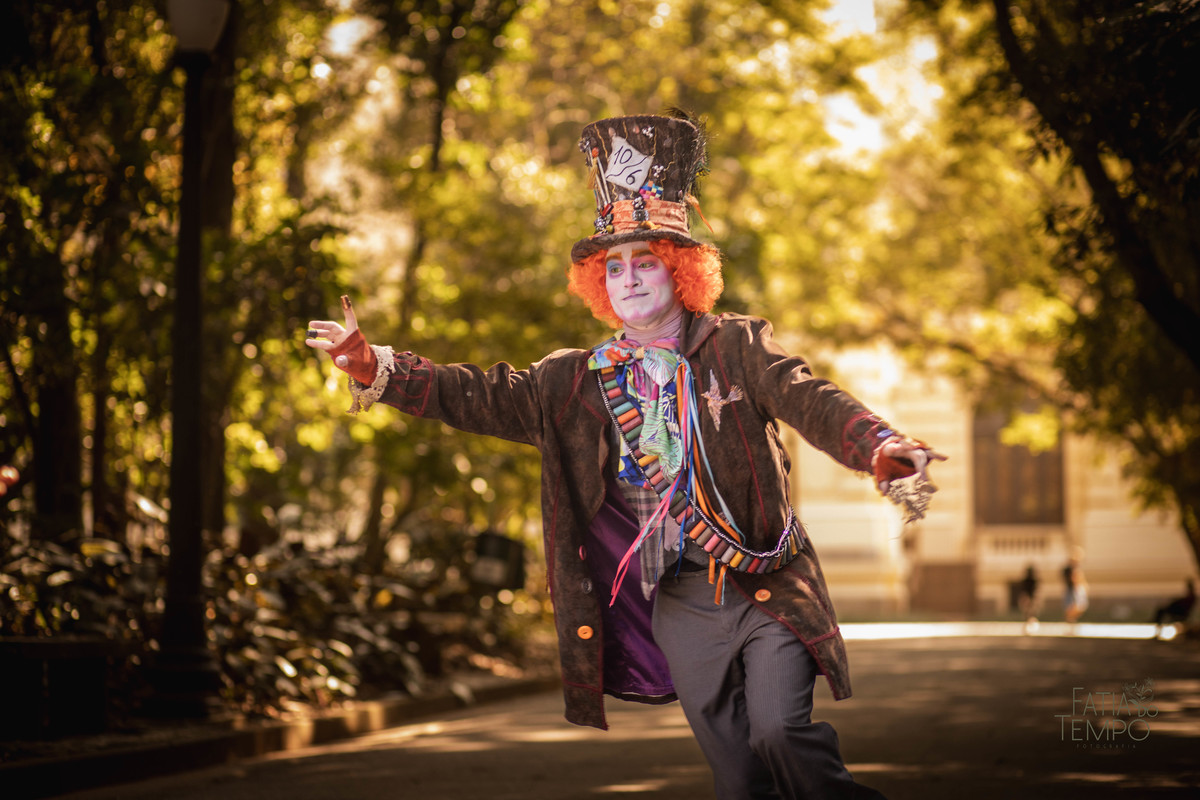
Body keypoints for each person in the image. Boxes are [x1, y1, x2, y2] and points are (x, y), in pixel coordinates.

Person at [306, 113, 943, 799]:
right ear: (598, 283)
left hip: (769, 583)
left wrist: (877, 444)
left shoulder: (735, 347)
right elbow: (479, 395)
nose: (630, 279)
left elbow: (808, 396)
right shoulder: (572, 381)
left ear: (681, 272)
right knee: (739, 779)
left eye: (646, 262)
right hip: (681, 601)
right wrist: (376, 368)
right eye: (615, 267)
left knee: (780, 733)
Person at [1062, 548, 1088, 631]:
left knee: (1079, 606)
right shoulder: (1069, 569)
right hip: (1072, 589)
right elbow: (1074, 578)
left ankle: (1071, 621)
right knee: (1072, 606)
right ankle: (1070, 622)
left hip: (1077, 589)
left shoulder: (1076, 567)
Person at [1016, 564, 1040, 634]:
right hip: (1029, 598)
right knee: (1029, 613)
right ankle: (1029, 627)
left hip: (1029, 598)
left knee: (1029, 614)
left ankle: (1029, 627)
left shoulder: (1029, 580)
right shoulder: (1031, 580)